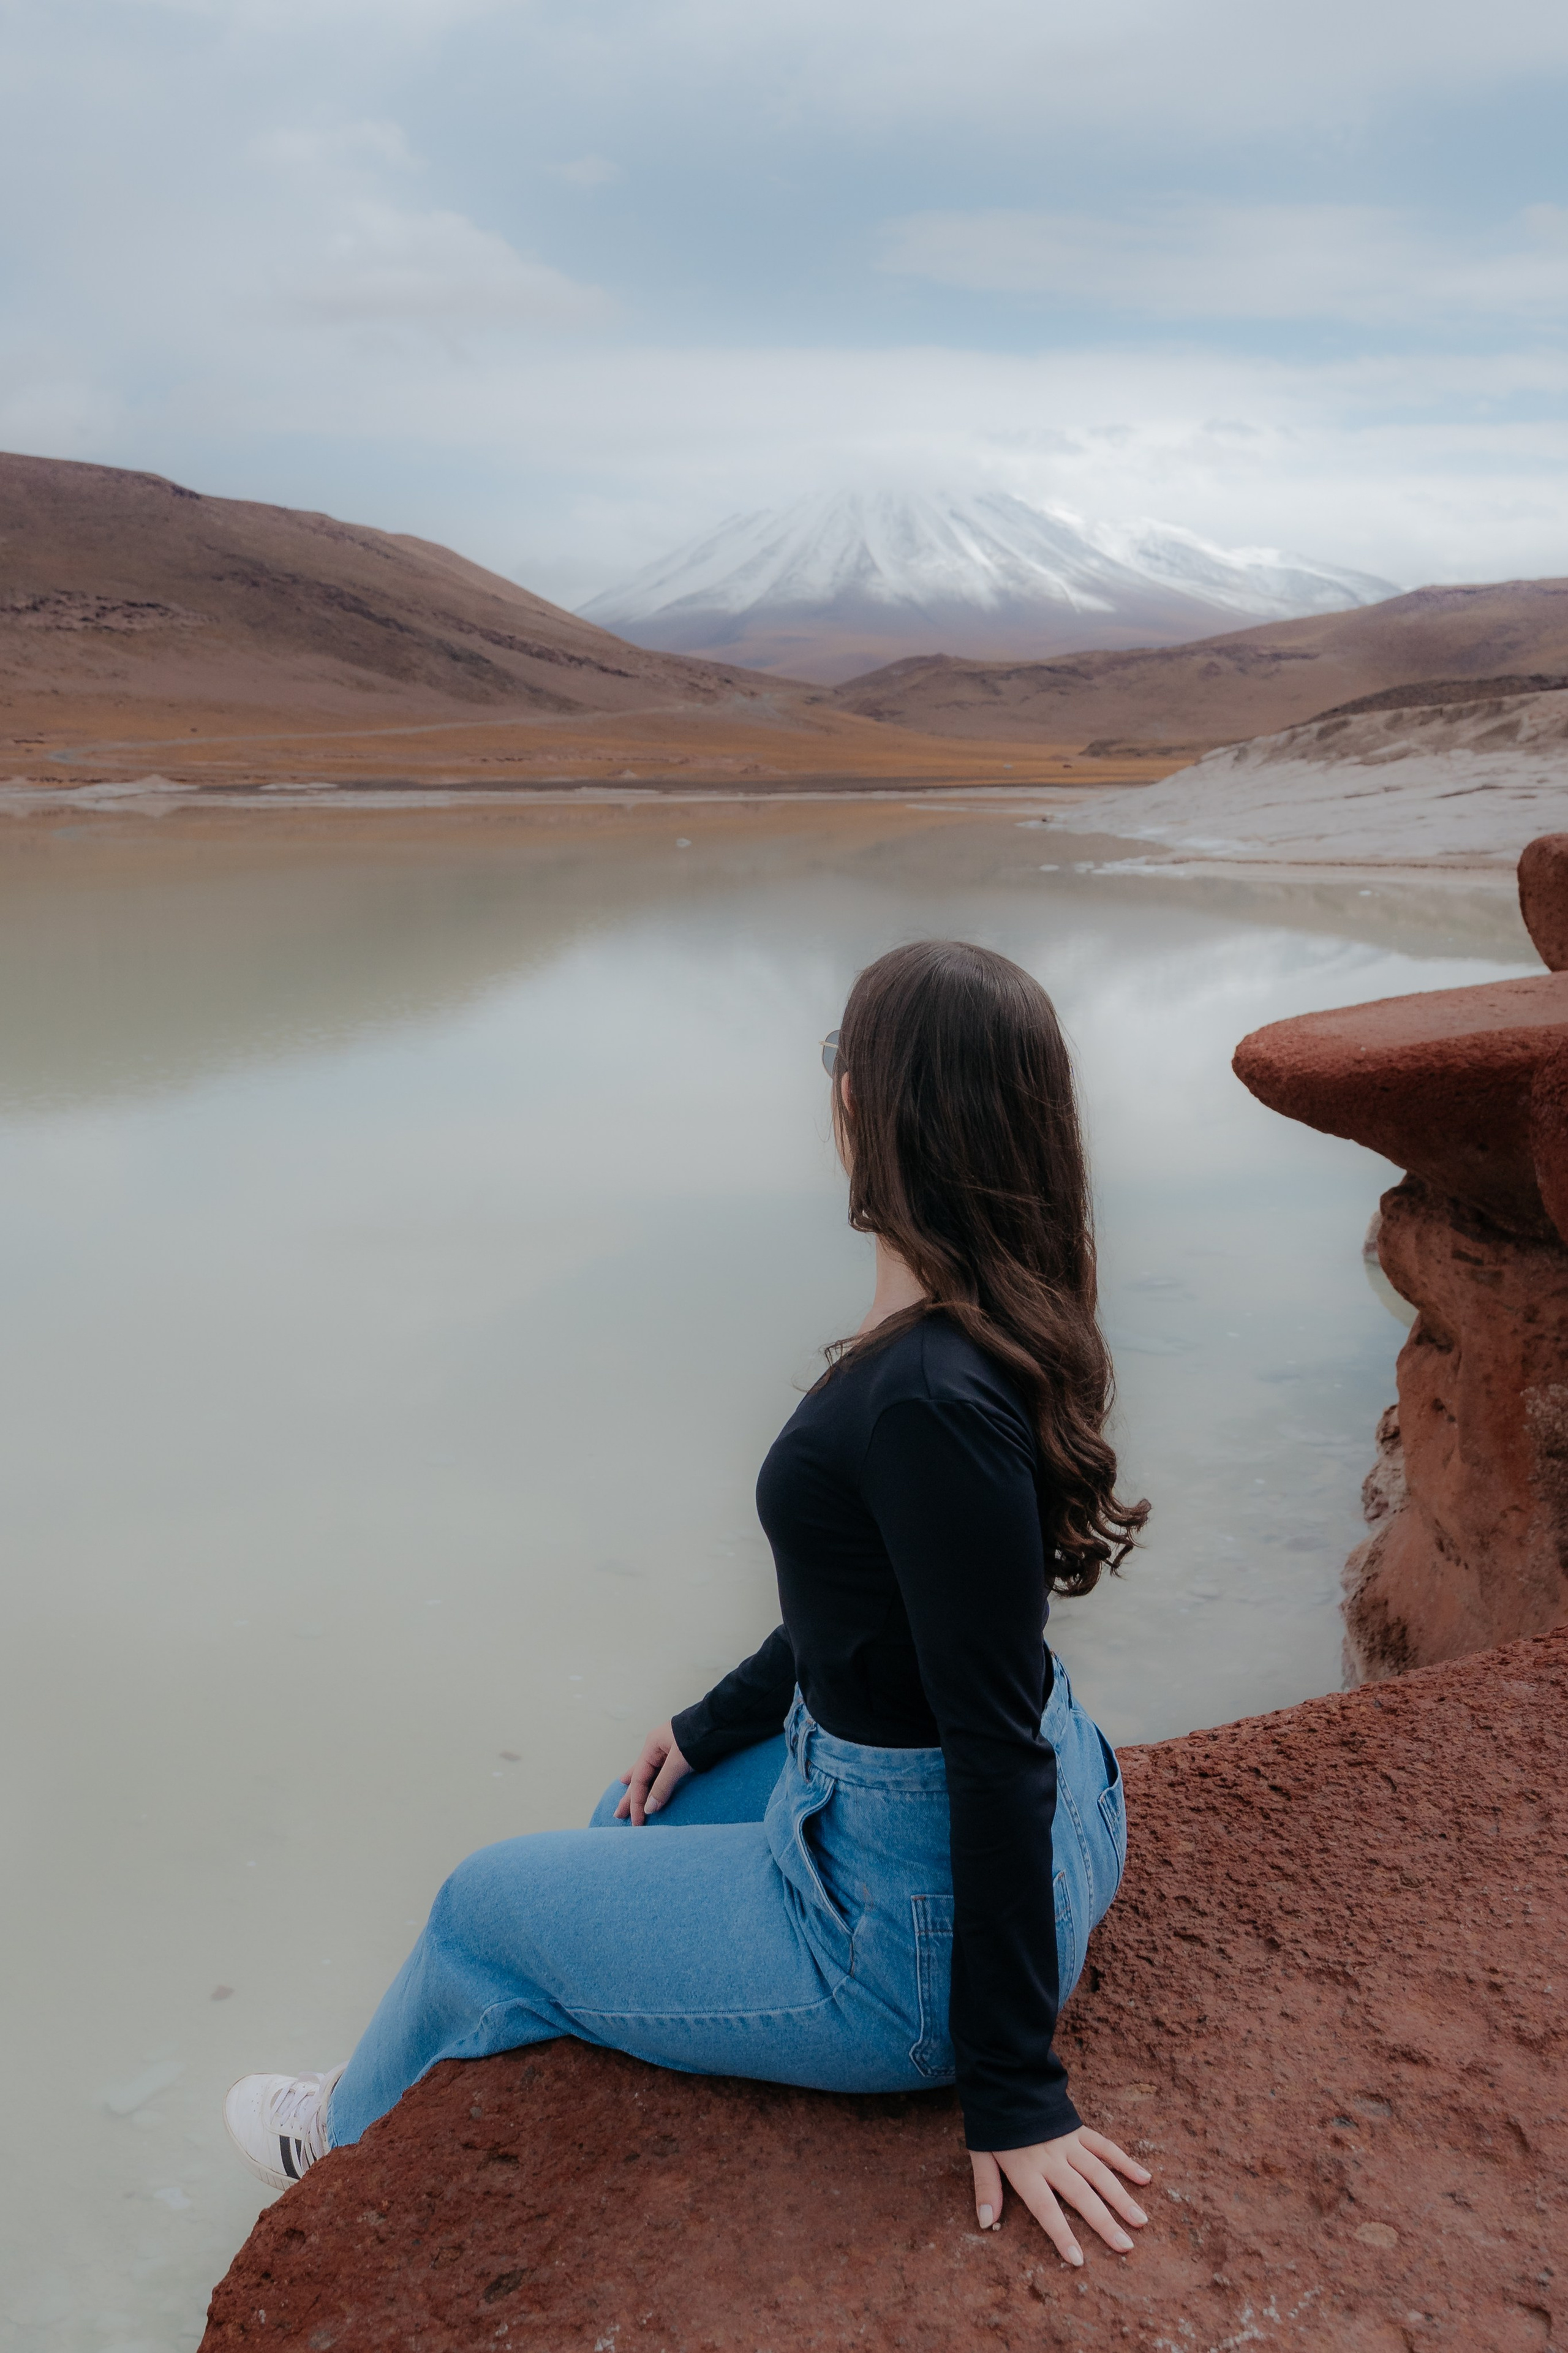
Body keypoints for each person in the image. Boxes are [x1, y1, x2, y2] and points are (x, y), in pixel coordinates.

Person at [222, 939, 1153, 2265]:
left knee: (481, 1909)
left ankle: (336, 2134)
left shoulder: (925, 1403)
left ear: (871, 1107)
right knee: (625, 1816)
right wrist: (713, 1718)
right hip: (1032, 1810)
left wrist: (1014, 2095)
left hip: (907, 1942)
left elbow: (990, 1750)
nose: (827, 1081)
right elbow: (877, 1597)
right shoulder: (974, 1331)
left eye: (841, 1054)